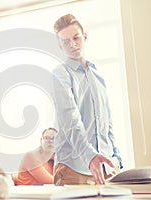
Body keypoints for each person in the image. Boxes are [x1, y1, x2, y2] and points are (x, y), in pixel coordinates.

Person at [51, 14, 123, 185]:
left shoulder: (97, 75)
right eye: (66, 41)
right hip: (73, 168)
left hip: (106, 166)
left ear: (84, 36)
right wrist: (90, 156)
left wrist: (116, 157)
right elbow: (69, 119)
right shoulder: (60, 73)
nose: (73, 44)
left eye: (76, 38)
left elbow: (107, 120)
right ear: (60, 46)